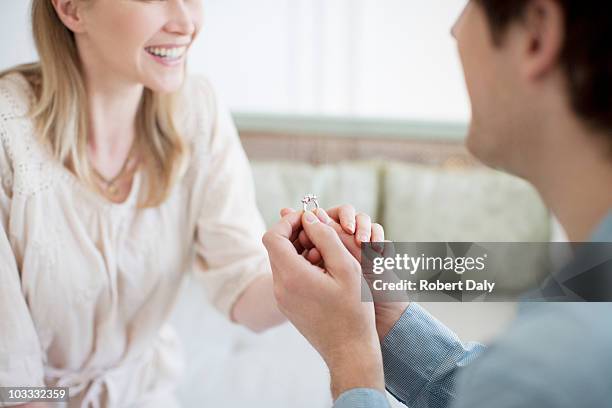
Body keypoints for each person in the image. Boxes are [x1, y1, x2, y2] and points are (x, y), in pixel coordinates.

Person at [0, 0, 374, 406]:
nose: (186, 22)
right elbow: (13, 384)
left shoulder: (197, 110)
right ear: (72, 9)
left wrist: (300, 266)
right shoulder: (9, 135)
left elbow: (245, 291)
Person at [263, 0, 612, 407]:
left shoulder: (550, 362)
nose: (454, 31)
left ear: (536, 34)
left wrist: (350, 356)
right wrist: (386, 324)